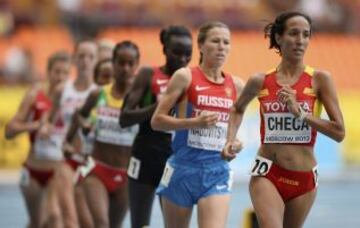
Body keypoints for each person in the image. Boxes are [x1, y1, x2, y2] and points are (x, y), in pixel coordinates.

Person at [221, 11, 345, 228]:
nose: (300, 41)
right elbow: (237, 109)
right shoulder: (260, 80)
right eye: (294, 33)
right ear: (279, 37)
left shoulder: (320, 79)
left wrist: (302, 114)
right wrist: (229, 139)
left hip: (304, 178)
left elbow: (339, 132)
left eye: (306, 35)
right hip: (268, 171)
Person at [151, 21, 243, 228]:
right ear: (201, 45)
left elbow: (232, 131)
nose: (222, 47)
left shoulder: (236, 85)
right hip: (182, 169)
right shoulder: (185, 76)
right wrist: (194, 122)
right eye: (215, 41)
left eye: (226, 42)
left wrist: (234, 143)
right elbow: (157, 121)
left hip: (216, 171)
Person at [119, 25, 192, 228]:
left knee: (175, 225)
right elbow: (124, 118)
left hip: (175, 161)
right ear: (164, 50)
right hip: (145, 157)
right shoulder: (148, 75)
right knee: (140, 224)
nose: (183, 59)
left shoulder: (193, 80)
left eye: (188, 54)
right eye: (177, 52)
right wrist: (159, 107)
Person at [66, 40, 140, 228]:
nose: (125, 68)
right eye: (121, 63)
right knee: (100, 223)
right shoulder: (97, 94)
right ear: (113, 64)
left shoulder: (142, 98)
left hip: (126, 174)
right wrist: (72, 138)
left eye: (130, 64)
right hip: (97, 170)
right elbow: (79, 116)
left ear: (136, 66)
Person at [4, 51, 71, 228]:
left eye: (65, 73)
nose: (60, 77)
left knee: (55, 217)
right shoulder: (35, 95)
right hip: (32, 170)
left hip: (56, 172)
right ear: (48, 72)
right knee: (37, 222)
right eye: (57, 72)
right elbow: (9, 131)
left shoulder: (71, 99)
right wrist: (35, 126)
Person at [39, 39, 98, 227]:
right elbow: (47, 119)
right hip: (64, 157)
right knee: (68, 216)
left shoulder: (100, 92)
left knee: (88, 221)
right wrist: (45, 127)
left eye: (90, 57)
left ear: (96, 61)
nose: (86, 61)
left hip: (90, 161)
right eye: (81, 56)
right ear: (74, 59)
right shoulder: (62, 90)